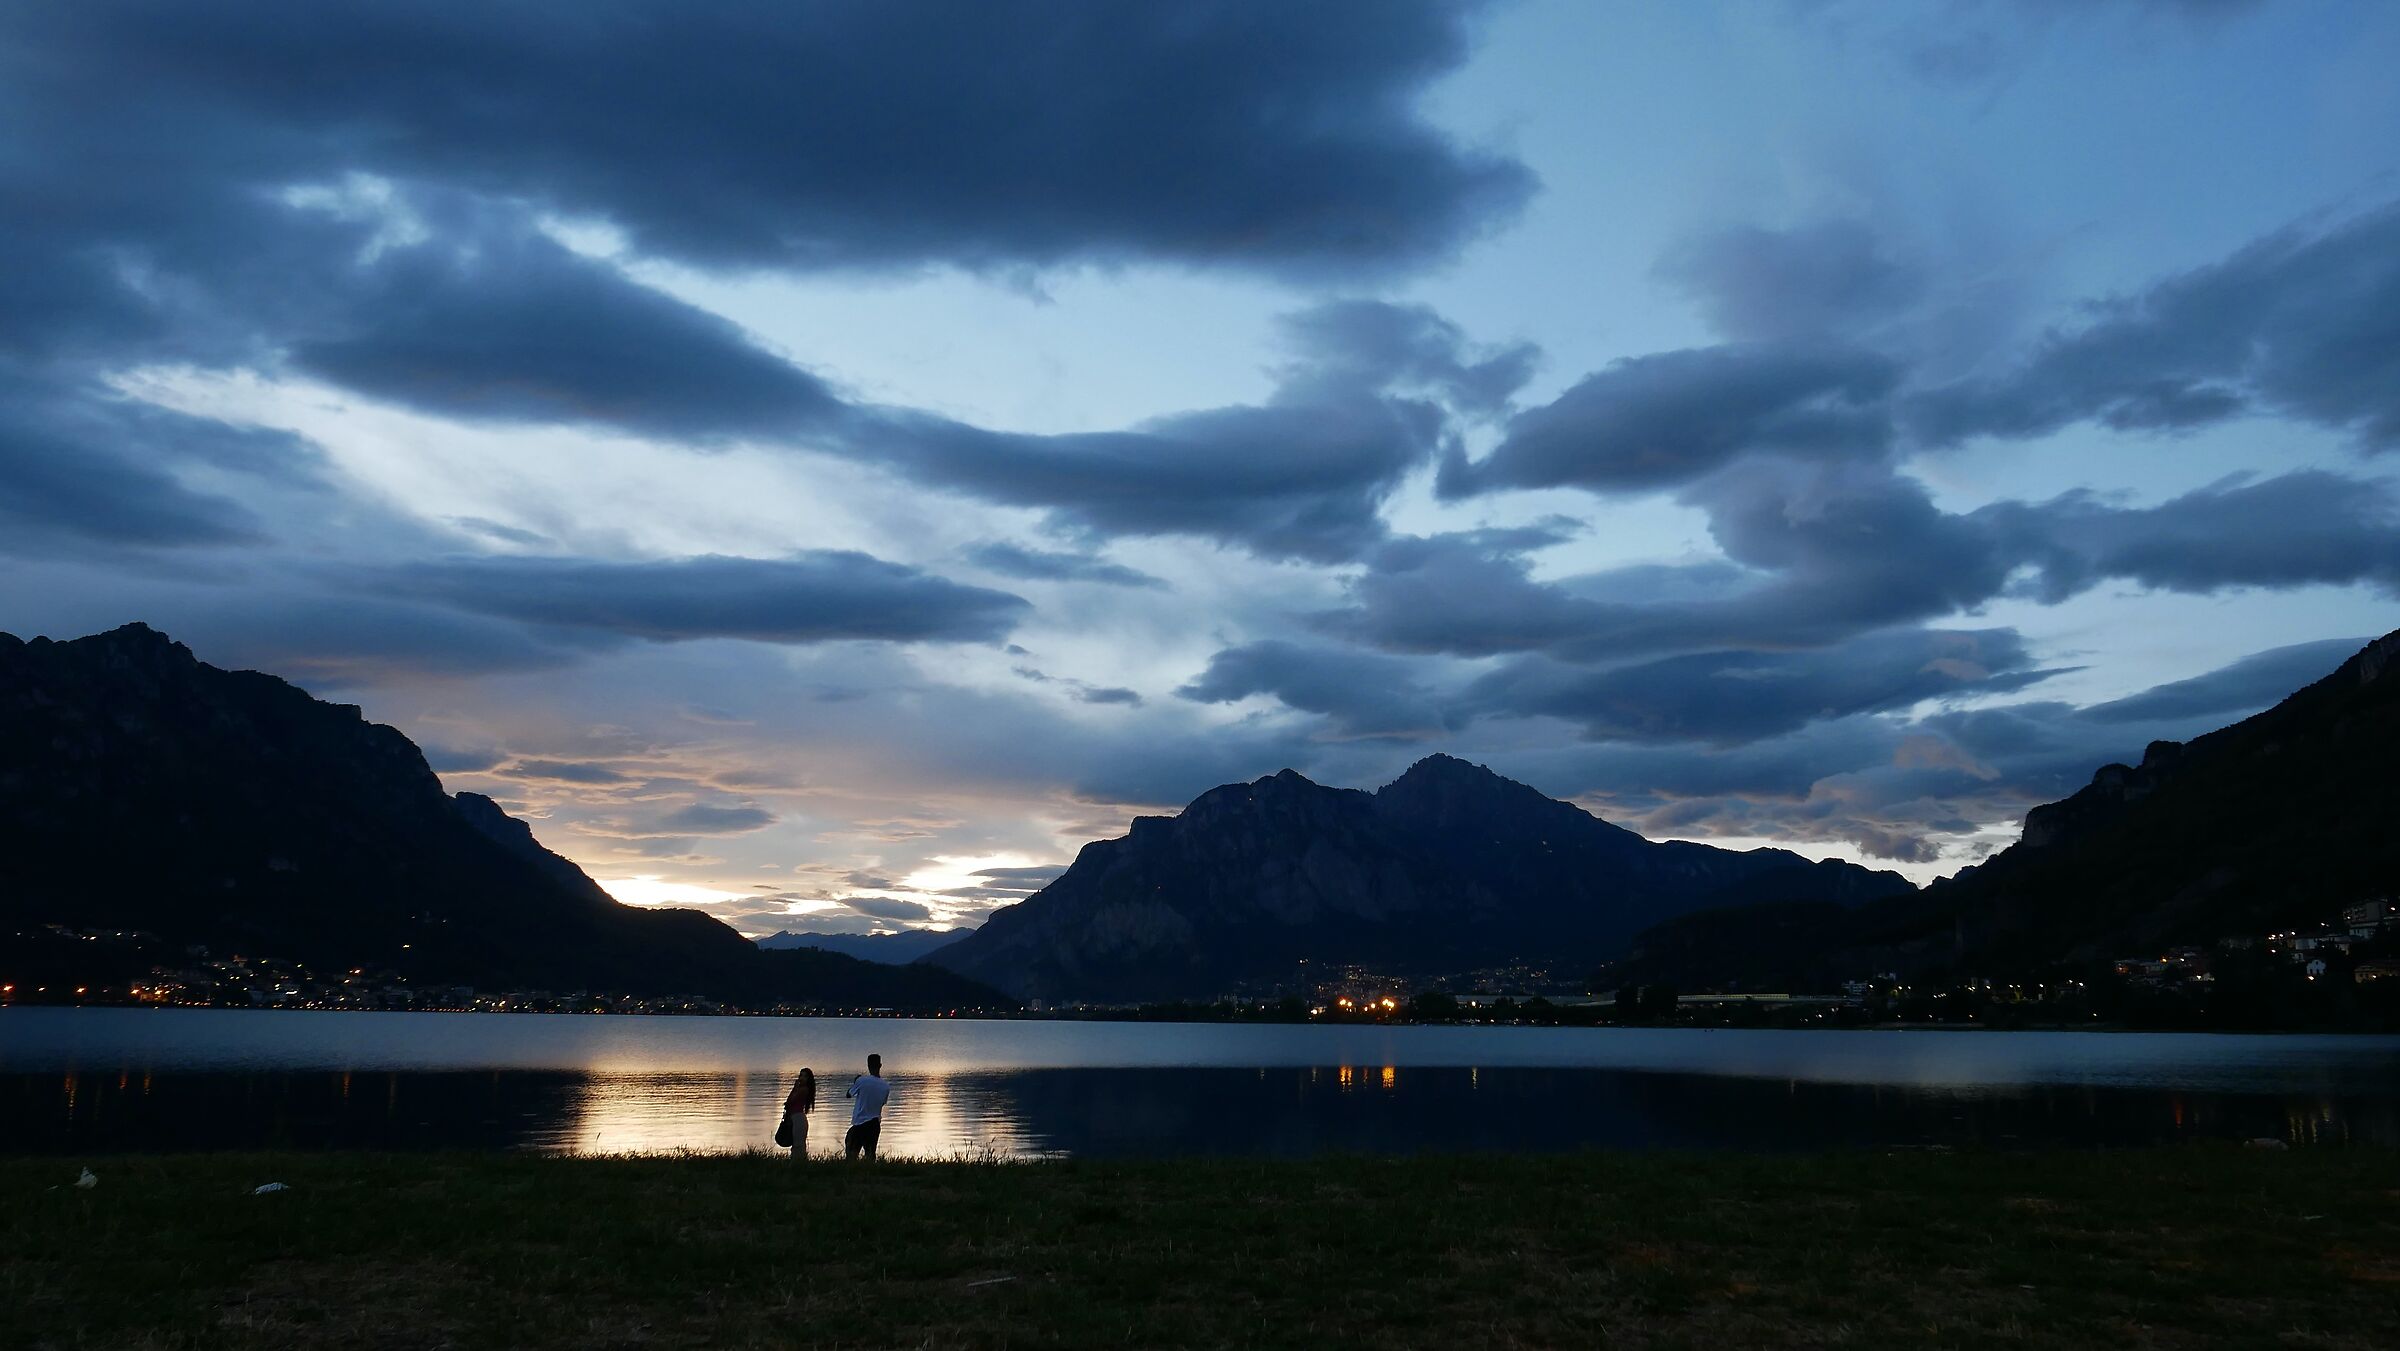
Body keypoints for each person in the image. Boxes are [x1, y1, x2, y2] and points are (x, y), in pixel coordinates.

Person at [843, 1053, 889, 1161]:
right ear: (880, 1065)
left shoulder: (861, 1081)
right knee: (870, 1153)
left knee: (851, 1153)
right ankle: (870, 1173)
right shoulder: (886, 1086)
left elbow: (848, 1095)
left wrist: (856, 1082)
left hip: (859, 1123)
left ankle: (851, 1173)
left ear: (868, 1065)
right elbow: (882, 1103)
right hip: (874, 1124)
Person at [782, 1068, 816, 1159]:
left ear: (808, 1079)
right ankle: (798, 1163)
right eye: (801, 1075)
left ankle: (798, 1164)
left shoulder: (803, 1089)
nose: (802, 1078)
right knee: (797, 1144)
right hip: (796, 1118)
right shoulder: (800, 1089)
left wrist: (795, 1088)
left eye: (805, 1076)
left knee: (798, 1145)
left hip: (798, 1119)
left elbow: (790, 1101)